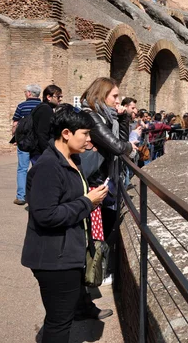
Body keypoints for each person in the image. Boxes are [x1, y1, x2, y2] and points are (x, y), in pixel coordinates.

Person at [21, 104, 109, 343]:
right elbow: (45, 215)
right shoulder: (48, 167)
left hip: (65, 254)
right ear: (66, 133)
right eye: (85, 134)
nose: (89, 140)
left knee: (62, 317)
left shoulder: (72, 160)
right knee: (59, 322)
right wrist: (87, 202)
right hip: (53, 259)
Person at [80, 78, 134, 260]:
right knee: (97, 233)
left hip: (104, 179)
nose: (118, 101)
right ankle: (92, 272)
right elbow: (118, 147)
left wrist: (123, 118)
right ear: (102, 95)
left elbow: (121, 144)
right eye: (115, 96)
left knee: (105, 226)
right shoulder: (92, 116)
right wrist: (130, 148)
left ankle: (96, 268)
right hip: (94, 182)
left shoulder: (107, 117)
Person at [12, 84, 42, 205]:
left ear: (29, 93)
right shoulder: (42, 106)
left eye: (26, 92)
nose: (25, 93)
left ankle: (21, 196)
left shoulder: (21, 106)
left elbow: (15, 123)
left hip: (23, 141)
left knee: (22, 169)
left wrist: (15, 137)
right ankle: (38, 196)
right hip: (38, 142)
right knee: (39, 168)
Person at [30, 85, 63, 164]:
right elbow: (42, 133)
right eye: (58, 97)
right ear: (49, 97)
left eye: (61, 97)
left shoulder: (41, 107)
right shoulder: (46, 110)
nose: (60, 99)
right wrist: (47, 152)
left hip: (37, 151)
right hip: (40, 152)